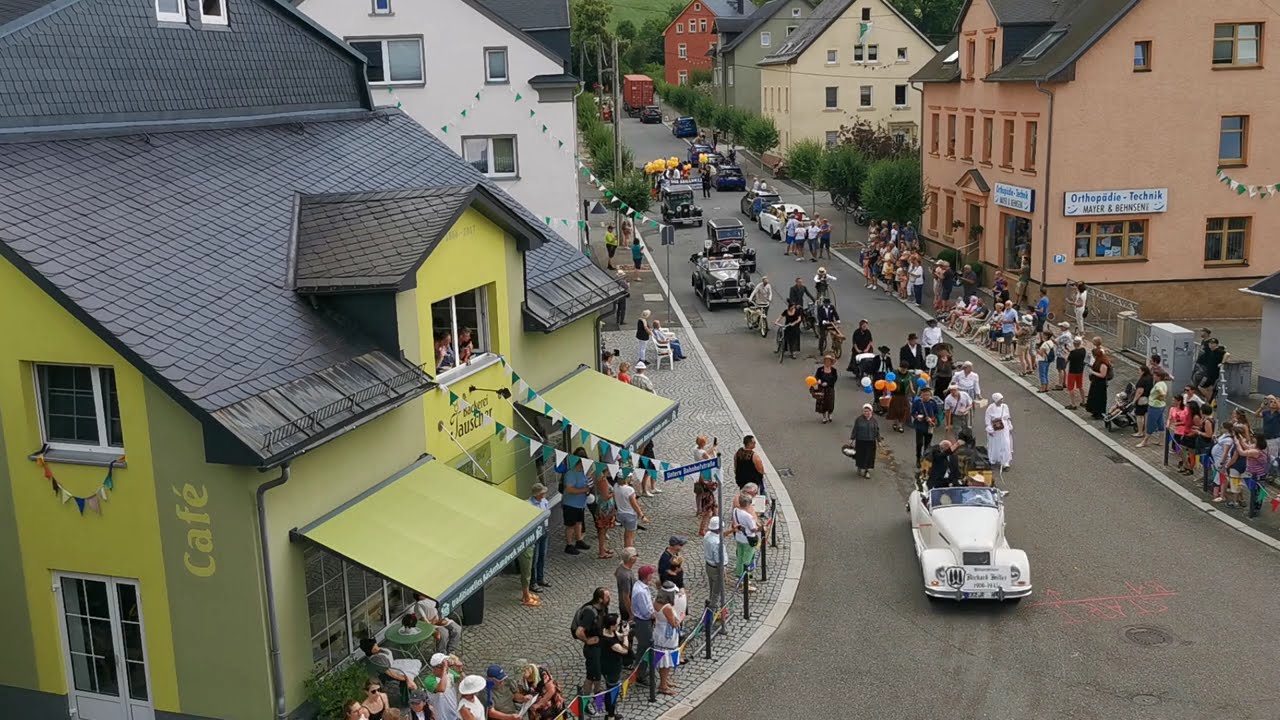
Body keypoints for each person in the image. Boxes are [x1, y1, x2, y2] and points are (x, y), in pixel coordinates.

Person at [573, 587, 611, 700]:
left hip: (599, 647)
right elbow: (579, 632)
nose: (610, 598)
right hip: (592, 649)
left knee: (597, 675)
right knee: (592, 676)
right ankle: (585, 700)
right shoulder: (590, 612)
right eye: (607, 596)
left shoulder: (603, 608)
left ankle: (597, 695)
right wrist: (587, 640)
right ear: (600, 599)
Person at [652, 585, 685, 696]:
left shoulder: (656, 602)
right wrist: (680, 618)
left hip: (659, 632)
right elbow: (674, 623)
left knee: (663, 658)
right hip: (667, 636)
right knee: (666, 660)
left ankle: (664, 681)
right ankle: (663, 685)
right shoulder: (667, 608)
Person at [558, 448, 592, 555]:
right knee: (570, 525)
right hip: (570, 504)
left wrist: (588, 489)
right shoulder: (571, 474)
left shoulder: (583, 472)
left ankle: (579, 541)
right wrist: (584, 490)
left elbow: (587, 483)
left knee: (579, 522)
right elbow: (569, 489)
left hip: (580, 504)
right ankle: (569, 545)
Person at [598, 614, 630, 719]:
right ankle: (610, 715)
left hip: (607, 665)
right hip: (612, 669)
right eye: (617, 624)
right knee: (613, 691)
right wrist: (626, 635)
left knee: (609, 689)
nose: (619, 625)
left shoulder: (607, 631)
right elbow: (624, 650)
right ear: (611, 626)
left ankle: (610, 711)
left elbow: (617, 635)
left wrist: (623, 633)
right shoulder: (610, 642)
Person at [408, 592, 461, 657]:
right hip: (431, 625)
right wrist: (435, 621)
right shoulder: (418, 606)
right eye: (421, 594)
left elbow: (439, 608)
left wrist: (440, 617)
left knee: (457, 629)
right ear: (418, 596)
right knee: (444, 634)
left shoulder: (431, 599)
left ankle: (451, 650)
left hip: (440, 619)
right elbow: (425, 622)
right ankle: (441, 655)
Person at [630, 565, 656, 682]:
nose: (653, 575)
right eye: (651, 573)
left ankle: (641, 669)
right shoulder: (640, 591)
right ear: (648, 576)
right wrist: (655, 615)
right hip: (643, 622)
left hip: (643, 621)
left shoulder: (641, 586)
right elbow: (646, 612)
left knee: (644, 646)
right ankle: (640, 673)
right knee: (645, 647)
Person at [731, 493, 760, 588]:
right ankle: (745, 580)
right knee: (747, 559)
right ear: (748, 504)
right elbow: (753, 529)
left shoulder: (735, 510)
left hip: (739, 537)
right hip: (748, 539)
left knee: (740, 557)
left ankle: (739, 576)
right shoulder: (748, 516)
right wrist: (761, 528)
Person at [693, 436, 718, 536]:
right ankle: (703, 527)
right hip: (705, 478)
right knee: (708, 505)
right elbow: (710, 458)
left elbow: (706, 451)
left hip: (700, 475)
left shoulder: (695, 449)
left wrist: (712, 448)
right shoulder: (703, 455)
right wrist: (714, 451)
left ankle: (714, 516)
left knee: (711, 502)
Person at [591, 467, 617, 560]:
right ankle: (601, 552)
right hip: (604, 508)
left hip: (606, 507)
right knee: (602, 530)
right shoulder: (602, 480)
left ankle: (604, 548)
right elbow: (606, 496)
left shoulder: (603, 479)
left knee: (604, 529)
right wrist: (614, 494)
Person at [614, 474, 645, 550]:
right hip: (630, 515)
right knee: (630, 536)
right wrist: (641, 515)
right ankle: (629, 553)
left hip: (620, 513)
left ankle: (626, 549)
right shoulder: (629, 490)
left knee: (626, 535)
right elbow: (634, 504)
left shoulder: (615, 486)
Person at [528, 484, 550, 590]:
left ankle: (540, 578)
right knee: (534, 558)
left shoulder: (544, 501)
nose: (544, 495)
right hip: (536, 533)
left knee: (542, 555)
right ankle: (533, 582)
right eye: (542, 493)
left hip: (544, 531)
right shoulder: (530, 504)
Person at [427, 653, 461, 720]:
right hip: (440, 716)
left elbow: (462, 682)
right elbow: (441, 689)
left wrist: (460, 669)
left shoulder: (450, 673)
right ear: (437, 667)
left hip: (454, 713)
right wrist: (445, 669)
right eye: (444, 664)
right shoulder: (429, 680)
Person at [911, 387, 940, 465]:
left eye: (928, 395)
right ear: (921, 395)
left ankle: (925, 457)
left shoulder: (933, 402)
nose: (926, 397)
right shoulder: (917, 402)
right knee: (919, 443)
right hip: (920, 425)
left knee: (928, 444)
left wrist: (932, 419)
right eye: (924, 395)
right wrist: (917, 417)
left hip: (929, 426)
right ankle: (918, 457)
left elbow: (937, 413)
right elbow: (913, 413)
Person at [985, 392, 1013, 472]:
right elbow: (987, 420)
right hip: (995, 429)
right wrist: (989, 428)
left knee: (1005, 444)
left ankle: (1005, 462)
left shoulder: (1005, 406)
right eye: (1000, 399)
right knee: (994, 445)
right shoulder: (990, 408)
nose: (1002, 401)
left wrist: (1009, 424)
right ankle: (993, 460)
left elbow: (1007, 417)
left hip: (1004, 429)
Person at [851, 404, 881, 478]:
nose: (866, 413)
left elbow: (877, 431)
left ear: (871, 412)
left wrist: (879, 440)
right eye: (865, 411)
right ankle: (860, 467)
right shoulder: (859, 420)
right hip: (861, 440)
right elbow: (855, 429)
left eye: (868, 411)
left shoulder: (874, 421)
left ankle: (867, 471)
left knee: (869, 456)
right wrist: (852, 439)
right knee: (860, 455)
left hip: (871, 441)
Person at [704, 516, 725, 605]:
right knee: (716, 591)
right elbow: (718, 560)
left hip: (708, 565)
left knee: (712, 587)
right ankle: (712, 611)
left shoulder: (707, 535)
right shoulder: (717, 542)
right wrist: (722, 571)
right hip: (716, 568)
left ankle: (710, 604)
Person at [1131, 364, 1155, 443]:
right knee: (1145, 415)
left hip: (1141, 399)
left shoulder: (1142, 380)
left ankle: (1140, 432)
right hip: (1148, 398)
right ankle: (1145, 431)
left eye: (1139, 370)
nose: (1138, 371)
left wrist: (1134, 400)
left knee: (1139, 415)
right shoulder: (1150, 378)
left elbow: (1139, 392)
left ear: (1143, 371)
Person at [1086, 348, 1111, 419]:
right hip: (1095, 382)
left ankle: (1099, 413)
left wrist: (1092, 372)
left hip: (1100, 383)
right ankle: (1094, 411)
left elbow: (1103, 375)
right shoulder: (1099, 360)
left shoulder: (1103, 363)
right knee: (1094, 397)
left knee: (1099, 398)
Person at [814, 353, 839, 423]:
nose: (827, 362)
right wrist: (819, 381)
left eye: (829, 361)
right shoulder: (820, 369)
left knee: (830, 403)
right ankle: (824, 416)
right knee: (822, 403)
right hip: (822, 389)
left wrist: (828, 383)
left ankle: (830, 414)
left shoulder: (834, 370)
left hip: (830, 388)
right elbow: (817, 377)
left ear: (831, 362)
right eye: (826, 361)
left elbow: (834, 379)